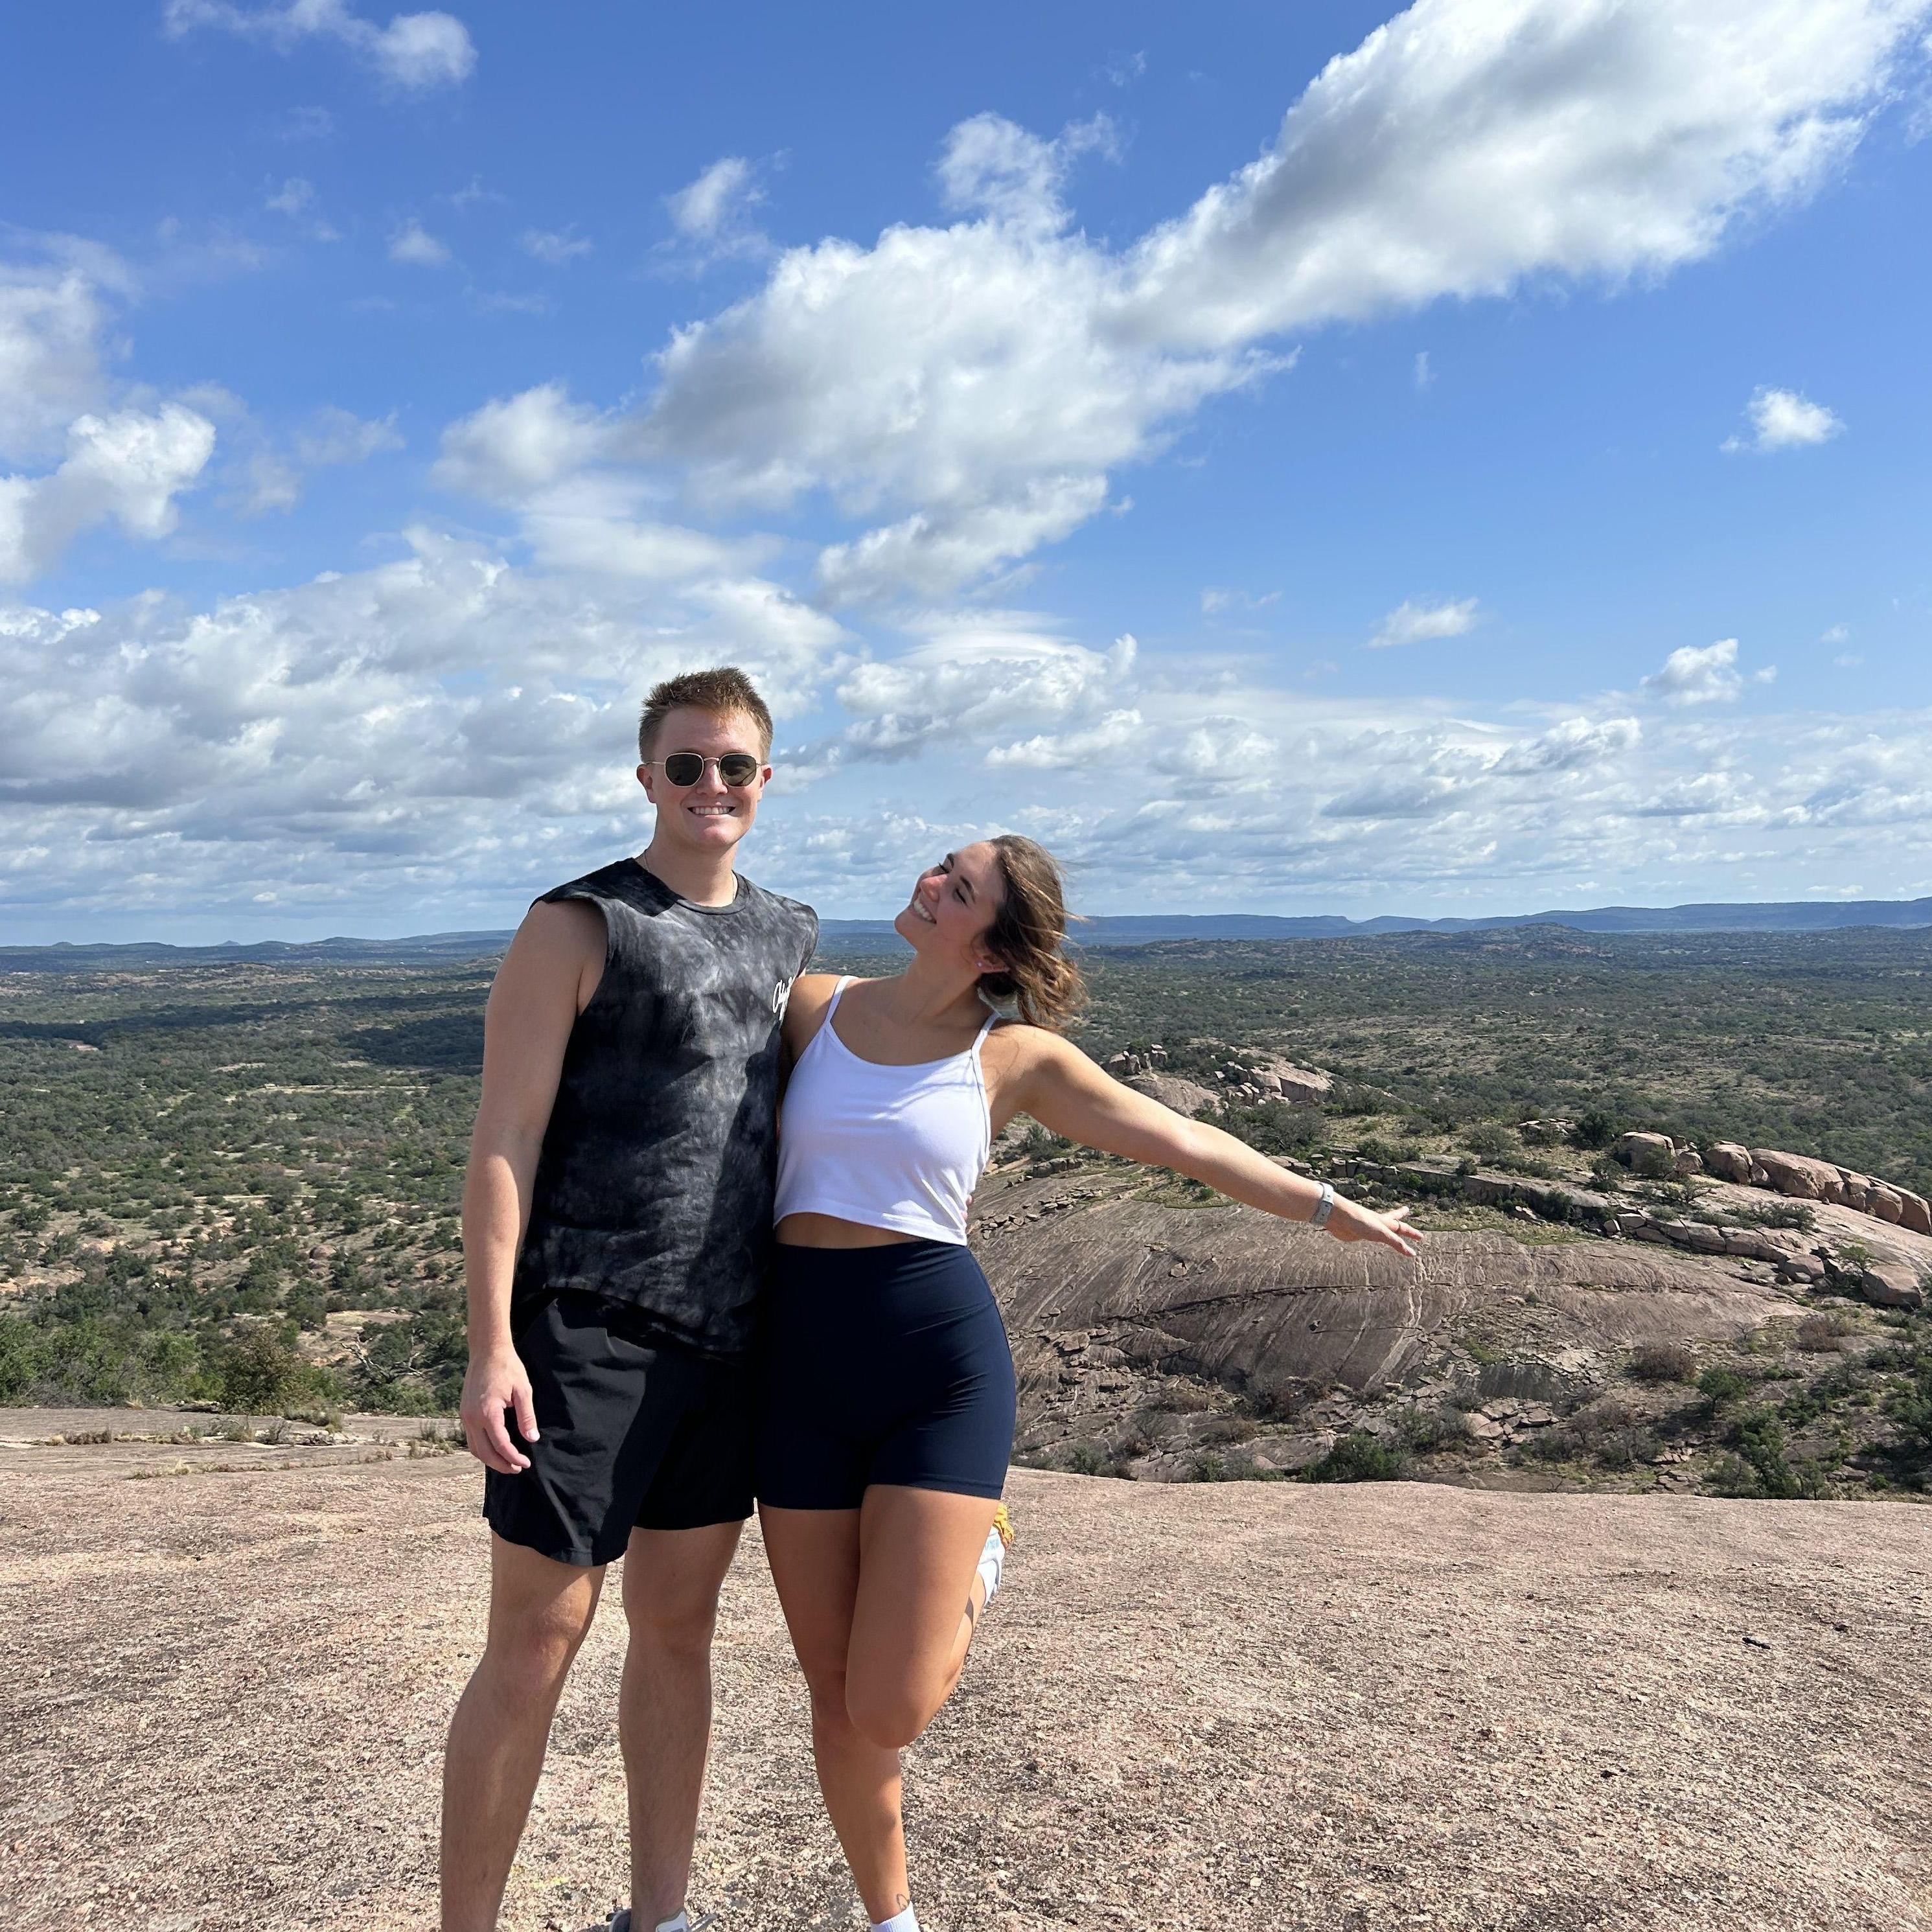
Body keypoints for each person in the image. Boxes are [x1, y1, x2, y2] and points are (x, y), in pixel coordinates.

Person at [757, 834, 1423, 1932]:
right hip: (797, 1373)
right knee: (832, 1693)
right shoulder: (811, 1006)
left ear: (993, 947)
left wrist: (1327, 1206)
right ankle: (890, 1920)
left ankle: (981, 1555)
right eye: (941, 864)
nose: (930, 883)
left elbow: (1182, 1140)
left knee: (889, 1705)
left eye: (959, 887)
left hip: (933, 1370)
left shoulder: (1013, 1056)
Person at [442, 667, 818, 1932]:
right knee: (536, 1640)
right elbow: (505, 1138)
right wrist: (492, 1343)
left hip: (727, 1338)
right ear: (646, 775)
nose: (712, 785)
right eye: (687, 764)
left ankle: (660, 1915)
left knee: (676, 1629)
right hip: (585, 1324)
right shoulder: (578, 923)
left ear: (765, 780)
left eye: (735, 766)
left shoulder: (789, 932)